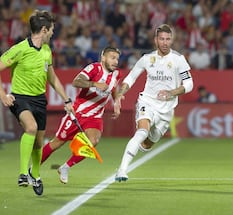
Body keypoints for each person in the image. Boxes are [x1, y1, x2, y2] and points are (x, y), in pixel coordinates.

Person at [0, 10, 74, 196]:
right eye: (51, 30)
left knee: (39, 143)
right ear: (43, 29)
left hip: (40, 100)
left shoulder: (47, 51)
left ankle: (36, 174)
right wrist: (3, 95)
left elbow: (53, 78)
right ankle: (23, 174)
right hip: (20, 98)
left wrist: (66, 99)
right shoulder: (20, 49)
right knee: (31, 128)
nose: (52, 33)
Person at [113, 24, 194, 182]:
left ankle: (141, 145)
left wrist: (171, 92)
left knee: (149, 143)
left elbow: (189, 84)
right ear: (156, 40)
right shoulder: (146, 59)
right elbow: (131, 78)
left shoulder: (179, 60)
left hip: (166, 110)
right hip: (147, 102)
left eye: (168, 39)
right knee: (142, 131)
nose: (165, 42)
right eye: (162, 39)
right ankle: (122, 170)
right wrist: (120, 94)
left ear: (172, 40)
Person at [41, 47, 122, 184]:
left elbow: (114, 88)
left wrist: (117, 101)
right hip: (78, 113)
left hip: (95, 117)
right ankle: (32, 170)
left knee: (93, 141)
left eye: (117, 59)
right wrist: (94, 83)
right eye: (112, 58)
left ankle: (66, 167)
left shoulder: (116, 74)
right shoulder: (94, 68)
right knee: (57, 143)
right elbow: (76, 81)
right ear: (103, 58)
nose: (115, 61)